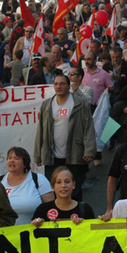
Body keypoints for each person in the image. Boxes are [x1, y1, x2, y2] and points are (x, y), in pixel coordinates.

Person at [33, 72, 96, 200]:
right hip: (52, 156)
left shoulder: (80, 103)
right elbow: (40, 130)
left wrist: (89, 150)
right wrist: (38, 154)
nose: (58, 86)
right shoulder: (46, 105)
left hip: (75, 154)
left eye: (62, 84)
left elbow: (88, 128)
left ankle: (76, 216)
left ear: (69, 86)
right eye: (56, 84)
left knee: (75, 190)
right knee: (55, 191)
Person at [0, 146, 54, 225]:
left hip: (33, 233)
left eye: (16, 158)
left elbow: (52, 209)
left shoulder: (39, 179)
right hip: (3, 234)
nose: (11, 161)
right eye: (9, 158)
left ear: (25, 163)